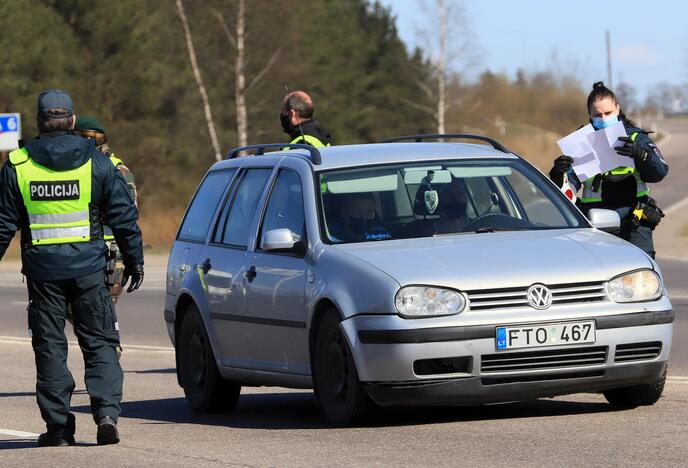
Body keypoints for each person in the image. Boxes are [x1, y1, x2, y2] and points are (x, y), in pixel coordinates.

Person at [0, 89, 144, 446]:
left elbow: (3, 224)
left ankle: (59, 428)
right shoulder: (98, 162)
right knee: (99, 343)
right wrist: (135, 259)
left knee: (50, 347)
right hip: (89, 271)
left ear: (39, 122)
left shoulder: (18, 164)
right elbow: (124, 217)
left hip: (43, 275)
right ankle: (107, 415)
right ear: (73, 121)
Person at [549, 81, 668, 257]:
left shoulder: (636, 137)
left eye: (608, 113)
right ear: (589, 114)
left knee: (644, 274)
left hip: (634, 221)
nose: (604, 119)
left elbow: (660, 172)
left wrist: (641, 154)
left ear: (618, 108)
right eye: (598, 114)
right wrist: (558, 173)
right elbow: (567, 189)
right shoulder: (580, 143)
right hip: (595, 224)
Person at [75, 116, 137, 305]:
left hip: (102, 249)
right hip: (107, 248)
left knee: (96, 312)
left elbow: (127, 212)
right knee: (102, 312)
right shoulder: (119, 167)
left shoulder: (115, 169)